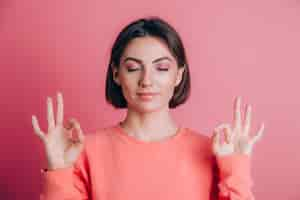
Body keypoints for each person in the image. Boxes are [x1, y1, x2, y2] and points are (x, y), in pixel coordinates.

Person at [31, 16, 265, 200]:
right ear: (116, 74)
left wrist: (236, 168)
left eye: (161, 68)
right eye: (133, 68)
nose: (147, 80)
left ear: (178, 75)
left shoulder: (214, 152)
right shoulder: (84, 151)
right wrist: (59, 170)